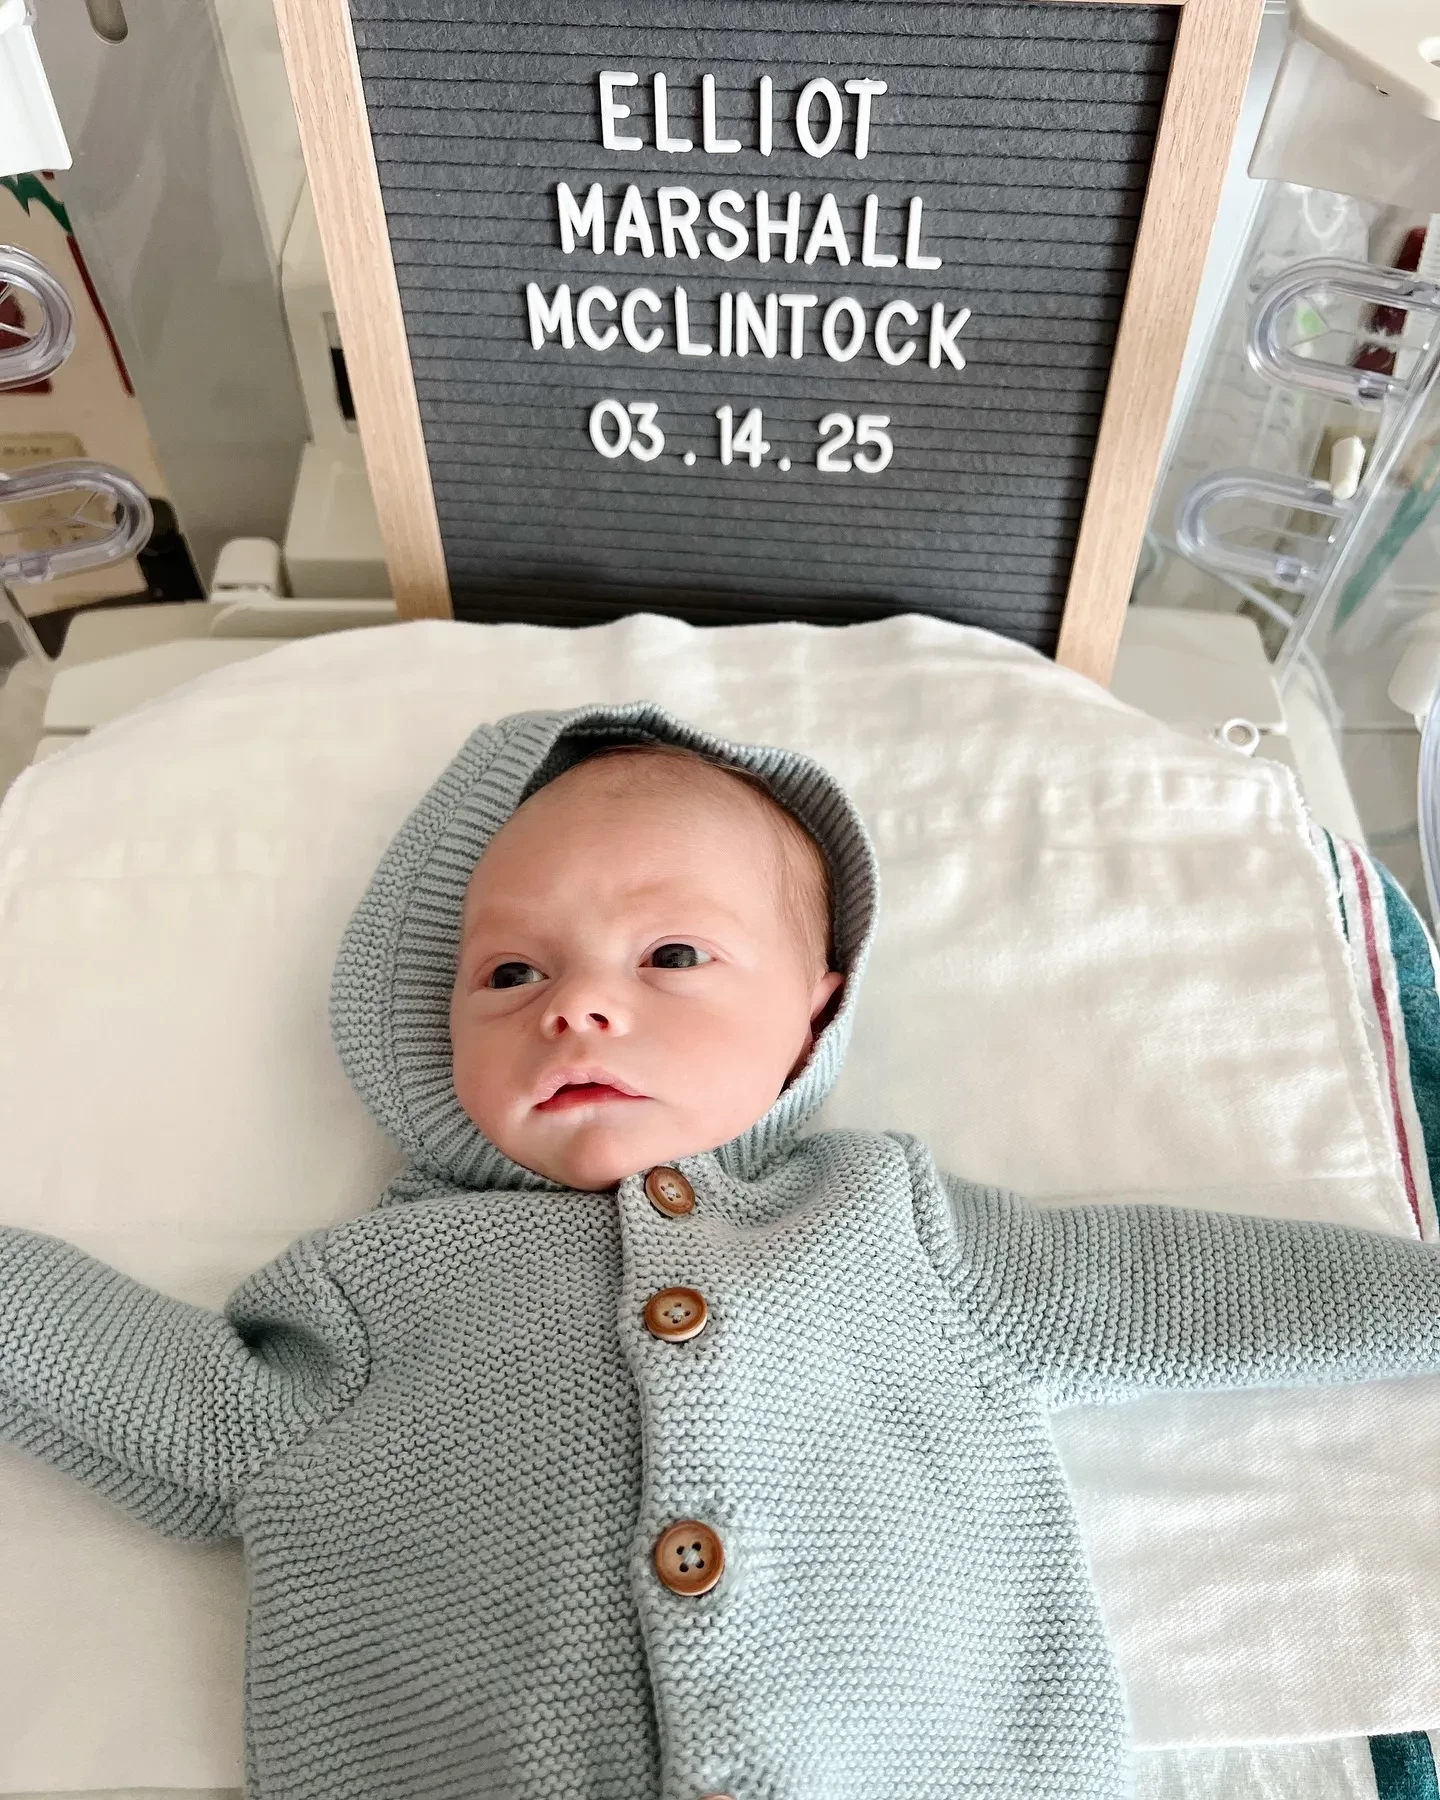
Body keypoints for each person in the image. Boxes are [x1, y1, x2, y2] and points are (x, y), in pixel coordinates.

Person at [4, 698, 1440, 1800]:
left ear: (816, 1010)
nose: (575, 1006)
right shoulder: (380, 1289)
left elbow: (1184, 1293)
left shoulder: (890, 1229)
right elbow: (166, 1393)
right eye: (510, 970)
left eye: (672, 956)